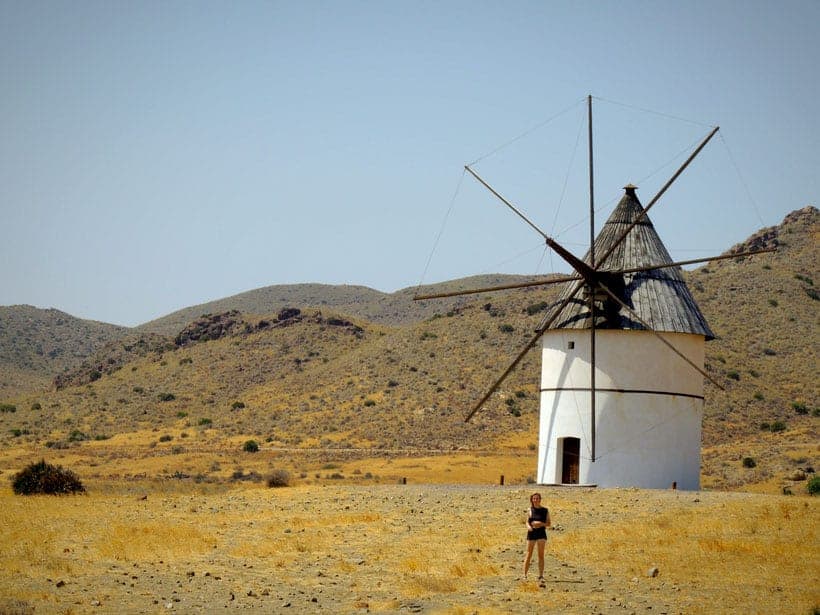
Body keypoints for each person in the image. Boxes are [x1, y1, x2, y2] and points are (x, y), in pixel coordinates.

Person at [523, 492, 550, 581]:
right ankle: (524, 575)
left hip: (541, 534)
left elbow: (548, 523)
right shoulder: (529, 510)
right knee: (528, 554)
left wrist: (540, 524)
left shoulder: (545, 510)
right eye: (534, 498)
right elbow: (527, 521)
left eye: (537, 498)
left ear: (540, 499)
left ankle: (541, 575)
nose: (536, 500)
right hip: (531, 533)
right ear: (532, 500)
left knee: (540, 555)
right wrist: (529, 527)